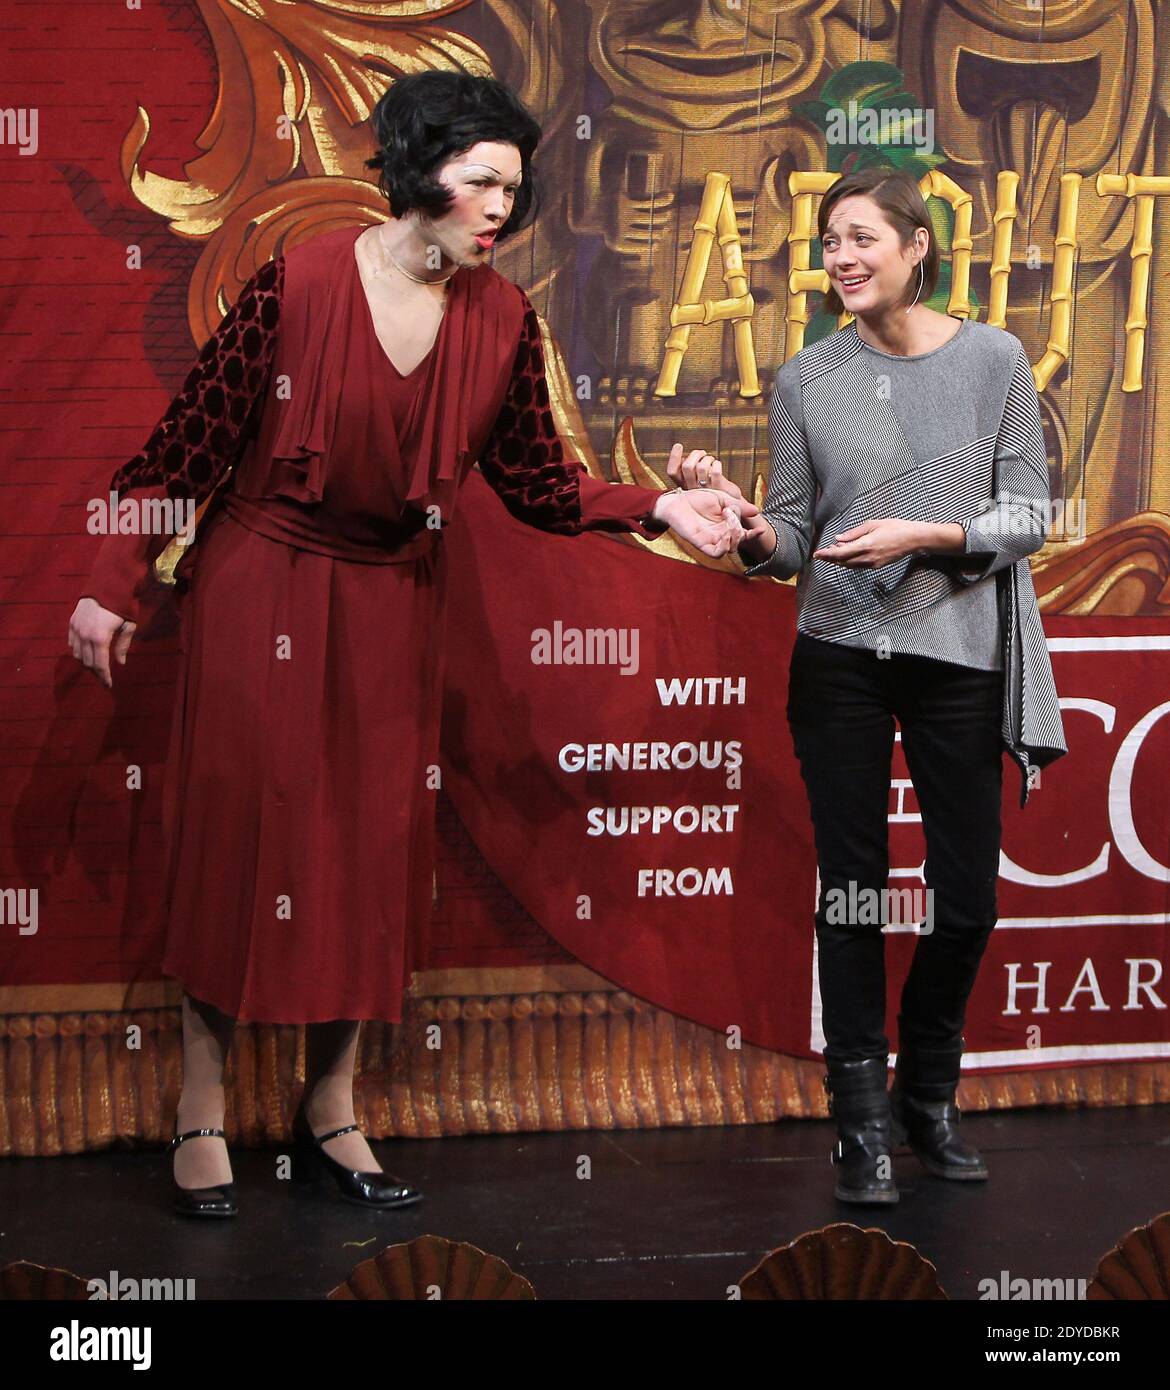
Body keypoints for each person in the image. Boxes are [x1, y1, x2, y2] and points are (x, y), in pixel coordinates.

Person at [66, 71, 757, 1218]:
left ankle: (330, 1111)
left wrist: (657, 508)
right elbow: (183, 447)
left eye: (514, 189)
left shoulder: (503, 320)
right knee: (241, 843)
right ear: (419, 167)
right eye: (482, 178)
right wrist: (109, 584)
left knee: (366, 857)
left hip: (392, 602)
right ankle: (198, 1112)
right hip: (261, 587)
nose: (501, 205)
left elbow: (539, 483)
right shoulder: (301, 279)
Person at [669, 165, 1067, 1205]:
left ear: (916, 246)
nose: (841, 259)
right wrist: (752, 530)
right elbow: (796, 538)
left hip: (959, 654)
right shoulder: (807, 377)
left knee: (967, 898)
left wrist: (931, 533)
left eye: (861, 238)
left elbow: (1032, 517)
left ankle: (927, 1092)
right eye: (829, 243)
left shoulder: (995, 360)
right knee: (850, 888)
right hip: (841, 656)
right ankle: (860, 1124)